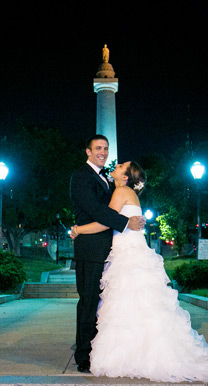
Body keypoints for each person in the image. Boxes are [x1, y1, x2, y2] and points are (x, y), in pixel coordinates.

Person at [70, 161, 208, 383]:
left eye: (122, 165)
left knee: (127, 303)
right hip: (130, 251)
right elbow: (114, 220)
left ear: (125, 177)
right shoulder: (122, 191)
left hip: (127, 254)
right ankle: (140, 352)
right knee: (136, 305)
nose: (116, 164)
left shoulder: (122, 191)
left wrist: (78, 229)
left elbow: (106, 222)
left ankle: (133, 355)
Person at [70, 135, 145, 373]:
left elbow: (113, 206)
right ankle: (84, 356)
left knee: (104, 305)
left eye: (106, 148)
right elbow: (94, 210)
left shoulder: (109, 183)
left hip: (110, 251)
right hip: (90, 250)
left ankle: (101, 350)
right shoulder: (81, 176)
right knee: (89, 301)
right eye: (98, 148)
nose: (103, 152)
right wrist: (126, 222)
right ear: (88, 152)